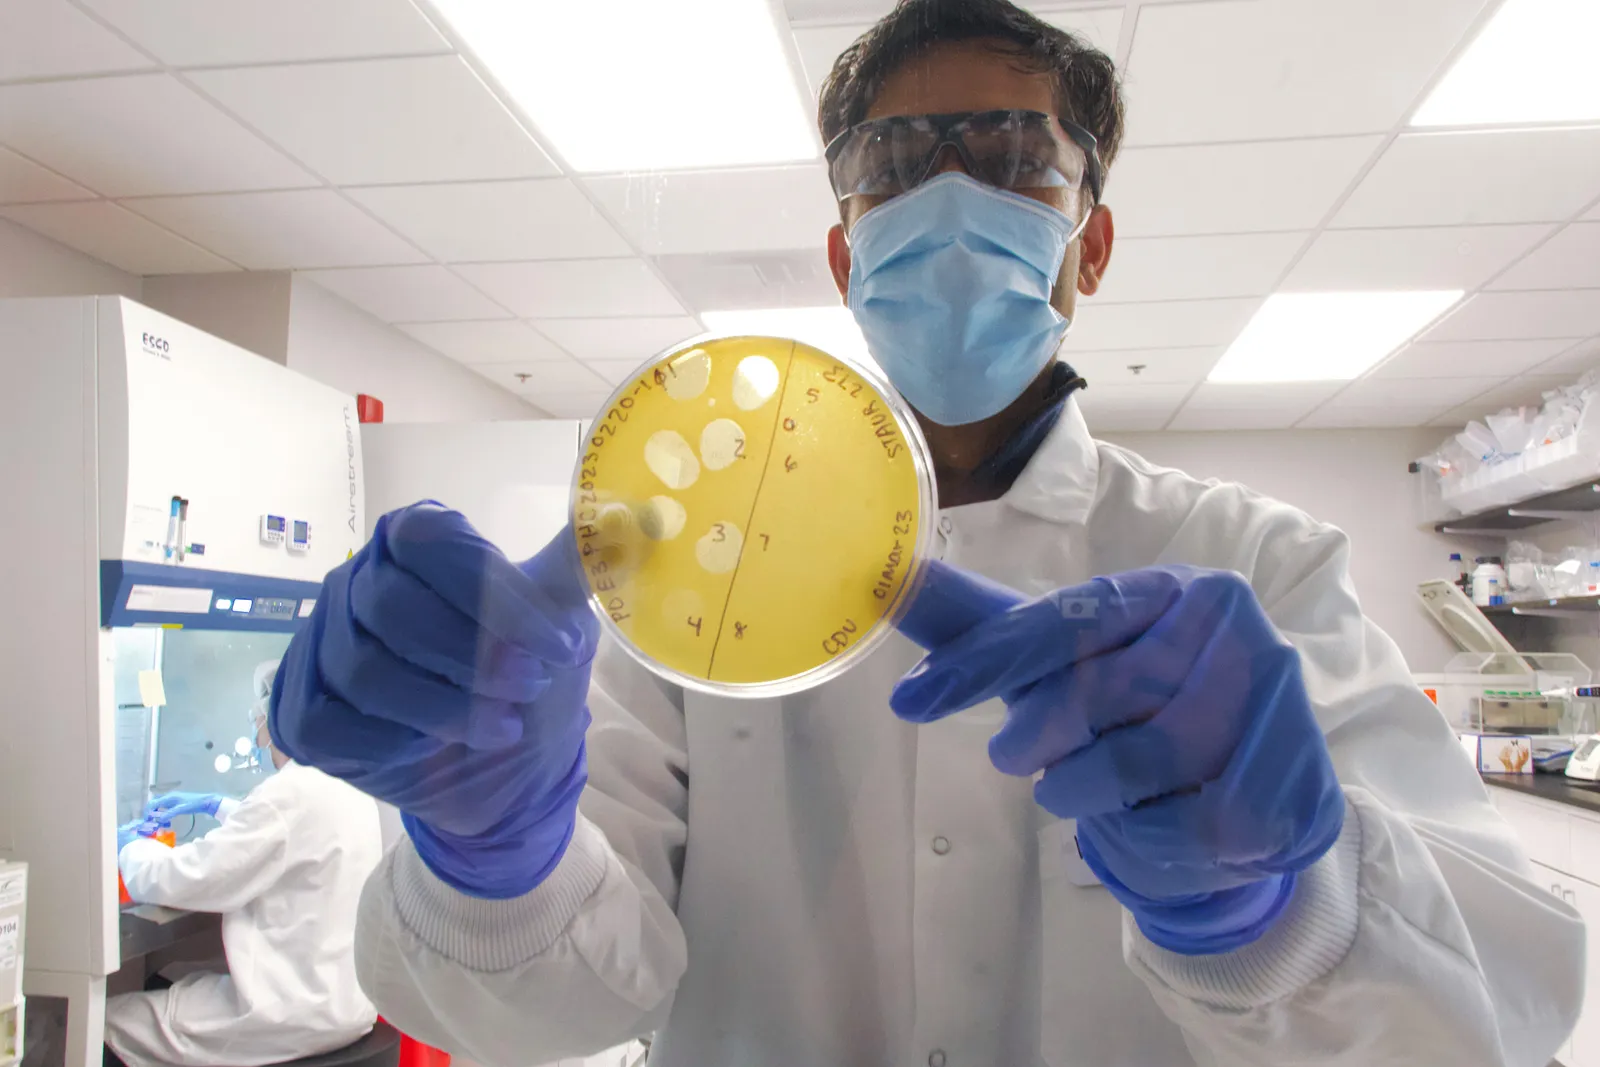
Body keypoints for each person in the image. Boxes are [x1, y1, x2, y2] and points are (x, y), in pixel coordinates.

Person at [269, 2, 1586, 1064]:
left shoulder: (1251, 558)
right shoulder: (679, 560)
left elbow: (1496, 1011)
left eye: (1014, 157)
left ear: (1093, 242)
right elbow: (554, 1007)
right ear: (844, 253)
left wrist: (1285, 900)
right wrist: (494, 850)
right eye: (897, 165)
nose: (952, 201)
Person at [107, 661, 384, 1067]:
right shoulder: (341, 781)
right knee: (174, 973)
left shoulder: (287, 795)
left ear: (276, 721)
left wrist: (129, 846)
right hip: (344, 1003)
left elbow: (186, 878)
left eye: (258, 722)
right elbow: (281, 838)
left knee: (108, 1023)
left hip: (292, 1015)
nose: (257, 737)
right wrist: (218, 806)